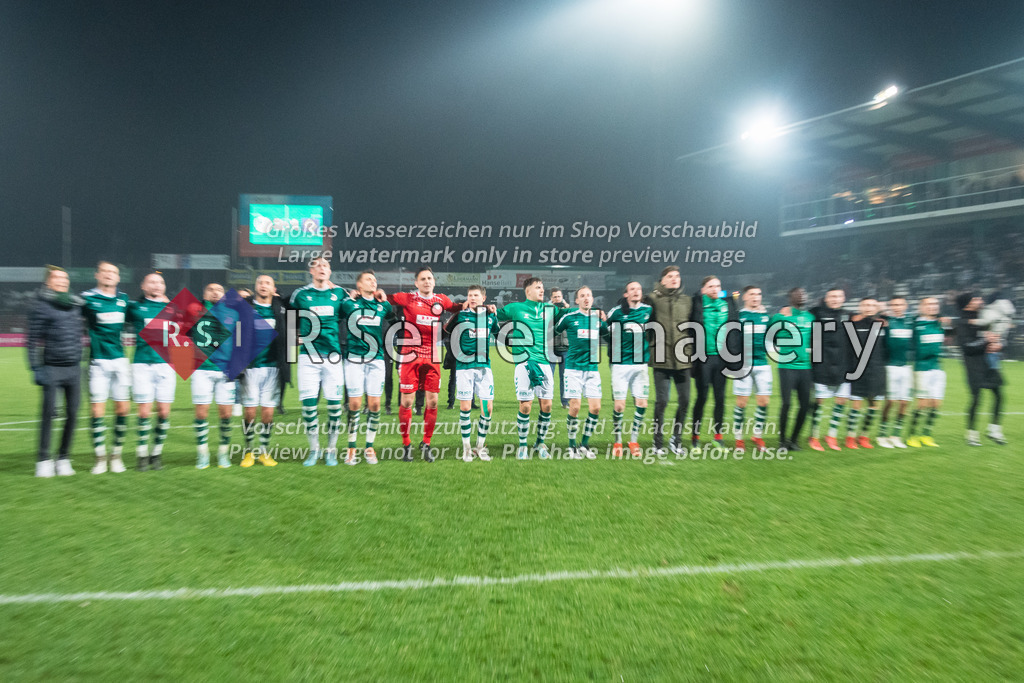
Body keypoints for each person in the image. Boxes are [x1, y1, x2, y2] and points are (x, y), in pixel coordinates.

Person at [388, 267, 462, 461]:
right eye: (423, 279)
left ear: (434, 281)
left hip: (432, 354)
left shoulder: (441, 300)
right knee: (407, 402)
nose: (427, 281)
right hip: (409, 354)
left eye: (430, 278)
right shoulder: (408, 298)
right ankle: (406, 444)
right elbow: (386, 298)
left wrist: (478, 305)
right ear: (416, 283)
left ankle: (426, 442)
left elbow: (456, 307)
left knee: (433, 401)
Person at [289, 257, 347, 466]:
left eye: (326, 266)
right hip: (308, 357)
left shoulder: (339, 294)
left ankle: (330, 450)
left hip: (333, 357)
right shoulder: (301, 294)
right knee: (309, 405)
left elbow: (353, 308)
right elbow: (287, 315)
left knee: (334, 405)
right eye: (318, 266)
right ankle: (314, 450)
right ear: (310, 271)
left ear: (330, 272)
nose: (322, 268)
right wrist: (292, 337)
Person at [27, 267, 84, 477]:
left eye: (65, 278)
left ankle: (63, 458)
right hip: (51, 368)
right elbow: (31, 340)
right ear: (48, 282)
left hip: (74, 369)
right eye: (57, 278)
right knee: (48, 415)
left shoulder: (75, 305)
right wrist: (35, 368)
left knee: (73, 415)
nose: (62, 281)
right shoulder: (41, 306)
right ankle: (43, 460)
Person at [496, 277, 559, 459]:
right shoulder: (516, 308)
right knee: (525, 406)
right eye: (538, 287)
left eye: (542, 287)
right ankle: (522, 445)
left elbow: (570, 313)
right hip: (524, 363)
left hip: (545, 363)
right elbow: (495, 315)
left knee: (546, 406)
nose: (541, 290)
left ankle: (540, 443)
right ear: (528, 291)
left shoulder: (550, 309)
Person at [81, 261, 132, 474]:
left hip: (120, 361)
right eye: (106, 272)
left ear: (118, 278)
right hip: (98, 362)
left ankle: (117, 455)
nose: (110, 275)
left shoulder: (124, 299)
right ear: (97, 275)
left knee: (122, 409)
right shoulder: (86, 299)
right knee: (96, 410)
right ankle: (100, 458)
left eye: (114, 273)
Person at [340, 271, 392, 465]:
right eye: (369, 279)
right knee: (354, 405)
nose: (374, 282)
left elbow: (394, 316)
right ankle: (351, 447)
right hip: (354, 359)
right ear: (359, 285)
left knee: (375, 405)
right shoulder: (348, 304)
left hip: (376, 359)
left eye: (375, 280)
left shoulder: (383, 306)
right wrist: (350, 297)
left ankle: (369, 446)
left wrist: (384, 297)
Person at [443, 285, 499, 462]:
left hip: (484, 367)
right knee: (465, 407)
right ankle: (466, 448)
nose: (472, 298)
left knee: (487, 408)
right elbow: (446, 329)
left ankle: (480, 447)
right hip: (464, 367)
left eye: (476, 295)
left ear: (483, 298)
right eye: (470, 295)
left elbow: (497, 331)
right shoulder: (461, 316)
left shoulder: (490, 317)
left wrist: (492, 311)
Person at [126, 272, 174, 471]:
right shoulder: (135, 307)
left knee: (163, 412)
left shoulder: (172, 308)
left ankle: (156, 453)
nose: (157, 285)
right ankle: (142, 454)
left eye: (160, 282)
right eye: (152, 282)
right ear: (143, 286)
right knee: (144, 412)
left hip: (166, 365)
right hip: (142, 365)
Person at [239, 274, 287, 467]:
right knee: (249, 413)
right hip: (250, 368)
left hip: (273, 368)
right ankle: (249, 451)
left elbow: (294, 323)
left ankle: (264, 452)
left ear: (273, 288)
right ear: (255, 286)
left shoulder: (280, 309)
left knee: (268, 413)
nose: (263, 285)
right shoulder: (245, 308)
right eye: (260, 282)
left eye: (268, 283)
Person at [644, 266, 692, 455]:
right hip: (661, 359)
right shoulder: (652, 299)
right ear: (662, 280)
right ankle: (657, 443)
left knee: (685, 400)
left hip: (683, 359)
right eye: (670, 276)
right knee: (662, 402)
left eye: (677, 276)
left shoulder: (687, 301)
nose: (674, 279)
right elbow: (646, 325)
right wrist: (655, 344)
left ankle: (676, 439)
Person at [554, 286, 607, 460]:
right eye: (582, 296)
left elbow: (607, 334)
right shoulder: (569, 318)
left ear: (592, 299)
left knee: (596, 408)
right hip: (573, 369)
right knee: (575, 407)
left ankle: (584, 444)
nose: (586, 298)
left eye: (589, 296)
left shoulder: (597, 319)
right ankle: (571, 446)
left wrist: (604, 320)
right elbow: (554, 330)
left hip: (592, 369)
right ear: (576, 300)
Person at [688, 275, 738, 451]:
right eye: (710, 286)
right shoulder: (696, 304)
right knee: (701, 398)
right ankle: (695, 438)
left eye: (717, 286)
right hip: (703, 360)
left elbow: (735, 330)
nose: (715, 289)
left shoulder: (727, 305)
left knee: (720, 399)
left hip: (722, 359)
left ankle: (718, 438)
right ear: (703, 290)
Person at [190, 283, 237, 469]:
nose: (215, 292)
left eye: (219, 290)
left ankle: (223, 454)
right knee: (201, 413)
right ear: (204, 293)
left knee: (226, 414)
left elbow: (240, 340)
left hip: (226, 370)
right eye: (210, 289)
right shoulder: (194, 311)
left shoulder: (233, 313)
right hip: (201, 370)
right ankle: (202, 454)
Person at [607, 281, 653, 458]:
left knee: (642, 404)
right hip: (620, 365)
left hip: (640, 365)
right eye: (632, 289)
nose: (636, 292)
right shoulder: (617, 312)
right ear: (626, 294)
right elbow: (604, 327)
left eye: (639, 289)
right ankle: (618, 441)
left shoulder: (648, 311)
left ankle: (633, 440)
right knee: (619, 406)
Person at [956, 292, 1006, 446]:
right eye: (975, 299)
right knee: (976, 399)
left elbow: (995, 336)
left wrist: (998, 344)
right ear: (967, 303)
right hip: (973, 365)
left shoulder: (984, 317)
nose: (979, 301)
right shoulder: (963, 322)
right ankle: (971, 434)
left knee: (999, 396)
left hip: (989, 363)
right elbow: (967, 348)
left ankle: (994, 430)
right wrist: (985, 341)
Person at [770, 287, 815, 451]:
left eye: (805, 293)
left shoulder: (810, 317)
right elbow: (771, 334)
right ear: (791, 297)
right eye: (799, 293)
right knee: (787, 404)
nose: (803, 295)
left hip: (805, 367)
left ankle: (794, 440)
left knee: (805, 405)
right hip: (787, 366)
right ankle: (782, 441)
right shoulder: (780, 316)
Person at [808, 288, 850, 451]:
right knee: (819, 401)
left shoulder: (848, 314)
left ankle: (831, 435)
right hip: (821, 365)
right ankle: (815, 436)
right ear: (826, 298)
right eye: (832, 296)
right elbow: (799, 316)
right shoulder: (816, 312)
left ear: (844, 298)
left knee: (841, 401)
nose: (835, 299)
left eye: (839, 296)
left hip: (842, 365)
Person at [904, 297, 948, 448]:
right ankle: (912, 435)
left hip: (937, 367)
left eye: (935, 304)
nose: (932, 307)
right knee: (922, 404)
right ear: (921, 307)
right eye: (928, 304)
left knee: (936, 403)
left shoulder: (939, 323)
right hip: (921, 367)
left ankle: (926, 434)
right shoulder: (915, 323)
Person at [732, 285, 771, 452]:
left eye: (759, 294)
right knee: (741, 403)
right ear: (745, 297)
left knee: (764, 402)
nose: (756, 297)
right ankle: (739, 439)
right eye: (752, 294)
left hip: (763, 364)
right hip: (744, 365)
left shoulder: (766, 316)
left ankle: (757, 435)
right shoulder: (739, 316)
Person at [845, 298, 887, 449]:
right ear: (860, 307)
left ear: (877, 308)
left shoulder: (883, 324)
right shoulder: (852, 323)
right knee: (856, 404)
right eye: (866, 305)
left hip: (877, 369)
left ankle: (864, 435)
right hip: (857, 369)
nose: (869, 308)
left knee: (874, 404)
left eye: (872, 305)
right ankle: (850, 436)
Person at [876, 297, 913, 449]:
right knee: (890, 402)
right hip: (890, 366)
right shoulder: (885, 321)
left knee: (904, 402)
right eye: (894, 305)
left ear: (906, 306)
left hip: (906, 367)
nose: (897, 307)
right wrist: (881, 312)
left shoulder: (911, 321)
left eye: (900, 304)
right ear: (890, 306)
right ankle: (882, 434)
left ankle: (896, 435)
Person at [549, 288, 570, 409]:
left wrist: (566, 309)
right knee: (549, 377)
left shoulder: (568, 311)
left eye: (559, 296)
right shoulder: (547, 311)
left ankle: (565, 402)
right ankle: (548, 400)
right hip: (551, 348)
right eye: (555, 297)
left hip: (565, 348)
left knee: (565, 377)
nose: (557, 299)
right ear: (551, 299)